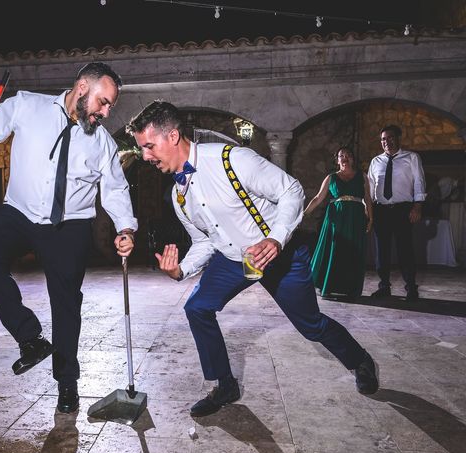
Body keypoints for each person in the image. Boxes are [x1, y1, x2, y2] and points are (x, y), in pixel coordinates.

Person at [126, 100, 378, 418]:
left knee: (311, 326)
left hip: (278, 255)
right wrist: (180, 269)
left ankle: (361, 361)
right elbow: (205, 241)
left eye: (149, 146)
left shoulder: (233, 160)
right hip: (232, 259)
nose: (146, 157)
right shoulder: (180, 195)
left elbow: (291, 190)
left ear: (173, 136)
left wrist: (276, 237)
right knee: (197, 307)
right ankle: (225, 384)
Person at [0, 62, 137, 414]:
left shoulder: (102, 143)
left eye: (111, 105)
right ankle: (29, 338)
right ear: (82, 87)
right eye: (104, 102)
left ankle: (67, 382)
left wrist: (125, 229)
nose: (107, 112)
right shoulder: (27, 106)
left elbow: (115, 189)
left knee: (66, 302)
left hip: (70, 225)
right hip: (19, 211)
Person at [304, 147, 373, 300]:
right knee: (334, 250)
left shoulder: (362, 176)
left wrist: (371, 218)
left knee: (353, 251)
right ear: (337, 160)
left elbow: (367, 198)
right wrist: (304, 214)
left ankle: (350, 288)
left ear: (353, 159)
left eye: (348, 155)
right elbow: (317, 198)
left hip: (355, 217)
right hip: (336, 217)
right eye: (342, 156)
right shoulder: (331, 178)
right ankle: (328, 286)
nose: (345, 158)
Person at [368, 125, 426, 301]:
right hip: (381, 210)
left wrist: (417, 206)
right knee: (382, 251)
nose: (386, 142)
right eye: (383, 139)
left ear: (398, 138)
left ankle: (411, 288)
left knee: (405, 250)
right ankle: (384, 286)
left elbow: (419, 182)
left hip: (403, 209)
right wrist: (368, 210)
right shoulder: (375, 161)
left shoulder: (412, 157)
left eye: (390, 137)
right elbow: (370, 187)